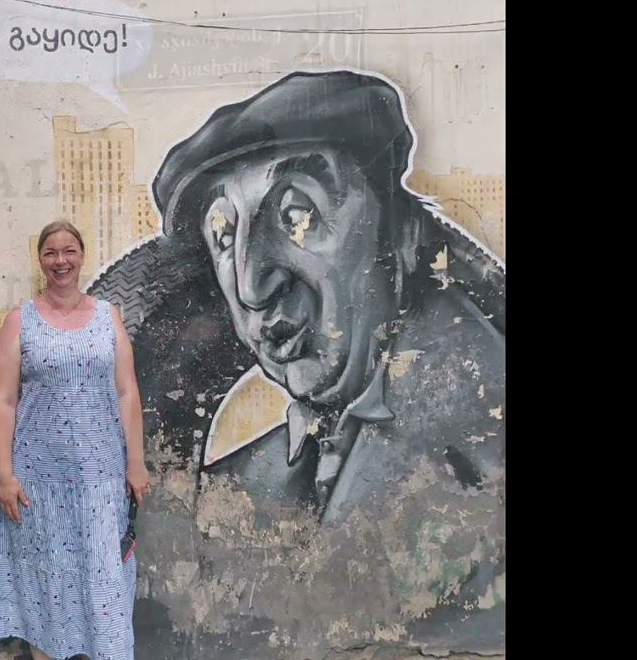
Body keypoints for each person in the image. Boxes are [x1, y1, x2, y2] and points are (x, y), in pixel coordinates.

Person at [87, 70, 504, 654]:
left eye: (296, 216)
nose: (252, 285)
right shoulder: (230, 491)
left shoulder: (486, 448)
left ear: (400, 235)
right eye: (223, 236)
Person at [0, 220, 152, 660]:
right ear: (40, 261)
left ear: (81, 257)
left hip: (101, 481)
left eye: (69, 251)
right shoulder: (20, 321)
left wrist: (135, 462)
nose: (60, 261)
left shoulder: (107, 317)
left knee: (105, 588)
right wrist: (5, 476)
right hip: (38, 485)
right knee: (47, 588)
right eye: (50, 252)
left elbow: (127, 391)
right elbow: (4, 400)